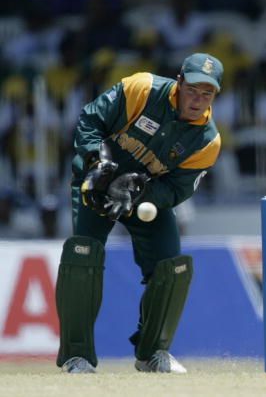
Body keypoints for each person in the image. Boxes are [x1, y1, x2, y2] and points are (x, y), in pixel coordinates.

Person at [55, 53, 224, 374]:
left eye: (207, 94)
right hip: (97, 183)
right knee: (83, 255)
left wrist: (137, 190)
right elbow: (91, 119)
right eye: (192, 90)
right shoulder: (142, 88)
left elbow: (177, 190)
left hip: (143, 196)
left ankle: (152, 353)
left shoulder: (207, 141)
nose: (197, 100)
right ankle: (77, 357)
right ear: (179, 82)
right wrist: (97, 162)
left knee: (172, 267)